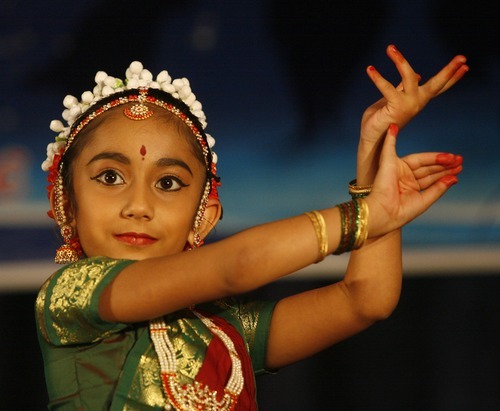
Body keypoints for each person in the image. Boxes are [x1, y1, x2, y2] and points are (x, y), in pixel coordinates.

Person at [35, 45, 468, 410]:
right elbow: (235, 266)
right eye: (110, 177)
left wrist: (373, 174)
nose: (138, 205)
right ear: (66, 205)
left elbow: (364, 300)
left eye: (168, 183)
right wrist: (366, 216)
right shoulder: (70, 297)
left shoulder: (224, 333)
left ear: (202, 216)